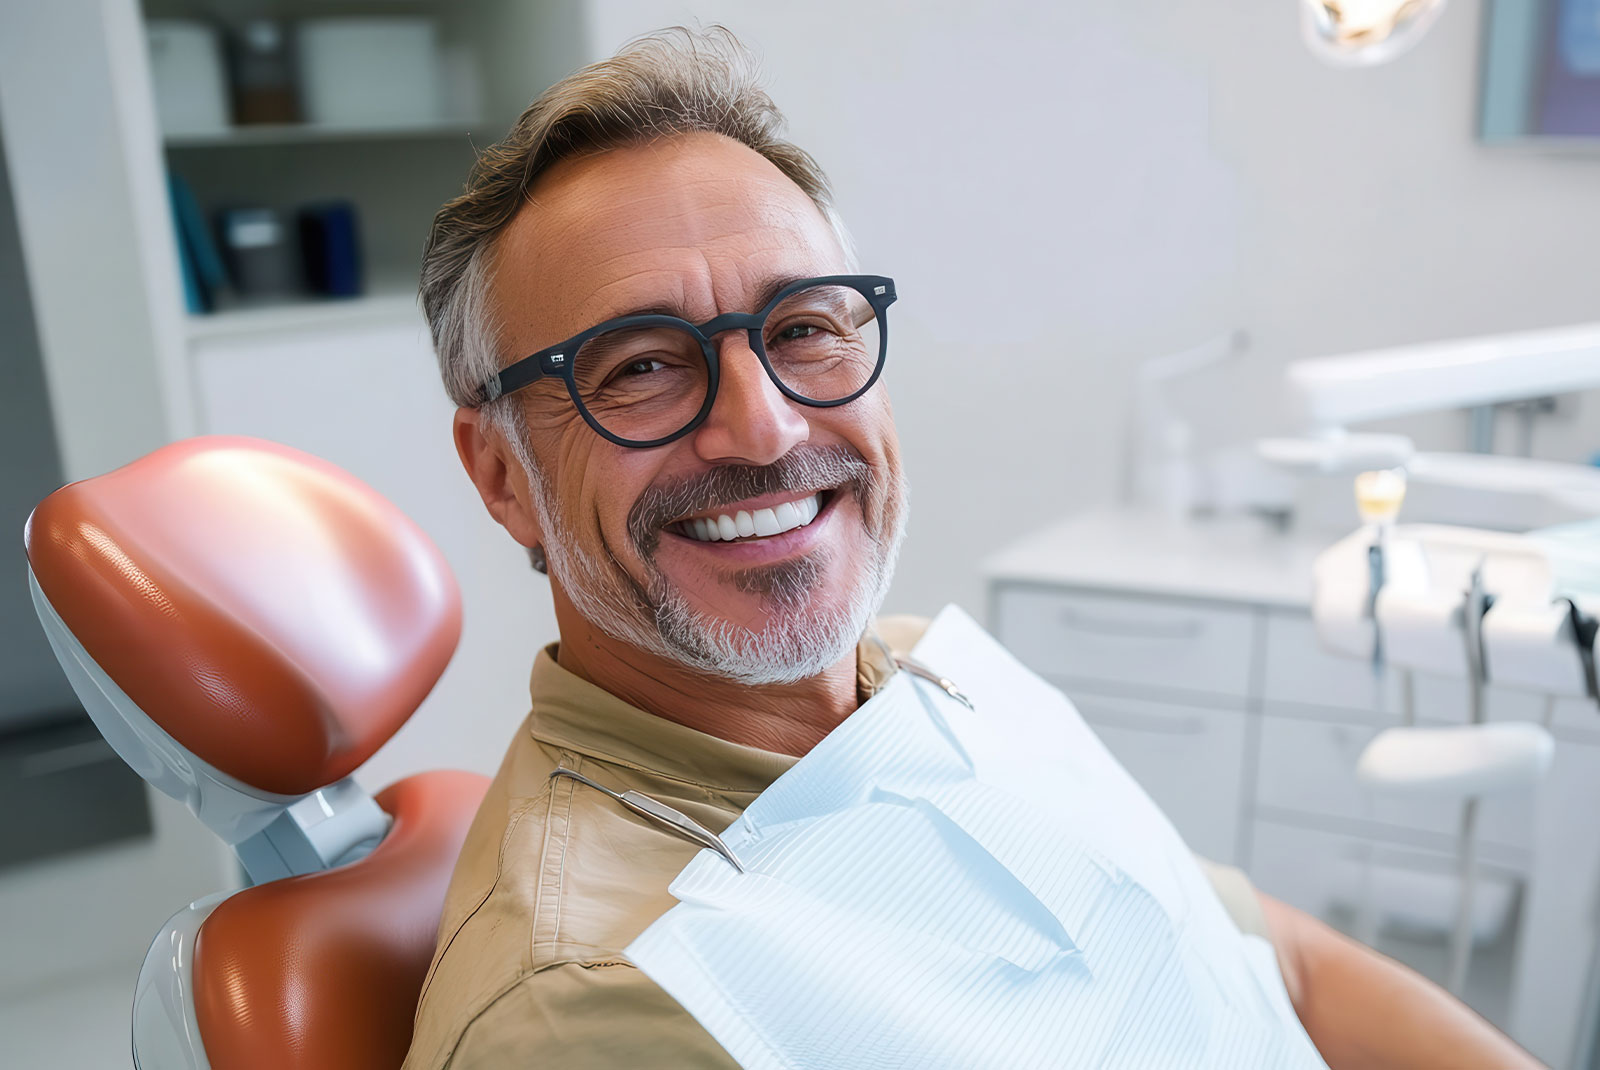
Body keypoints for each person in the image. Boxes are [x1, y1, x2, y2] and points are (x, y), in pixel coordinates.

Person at [402, 26, 1538, 1070]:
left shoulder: (941, 676)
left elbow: (1274, 963)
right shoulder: (598, 999)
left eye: (802, 328)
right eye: (640, 364)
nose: (765, 425)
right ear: (501, 474)